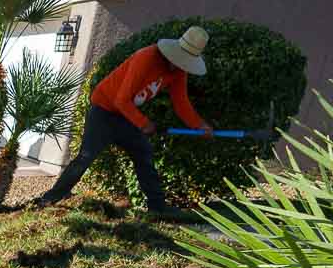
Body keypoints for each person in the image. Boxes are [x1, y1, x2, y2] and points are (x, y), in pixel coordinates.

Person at [33, 26, 214, 216]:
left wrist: (199, 125)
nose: (180, 66)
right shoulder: (146, 57)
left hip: (126, 116)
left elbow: (181, 102)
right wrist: (143, 123)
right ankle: (50, 198)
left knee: (144, 155)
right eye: (180, 60)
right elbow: (121, 99)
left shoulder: (179, 71)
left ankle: (158, 208)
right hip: (104, 111)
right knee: (86, 157)